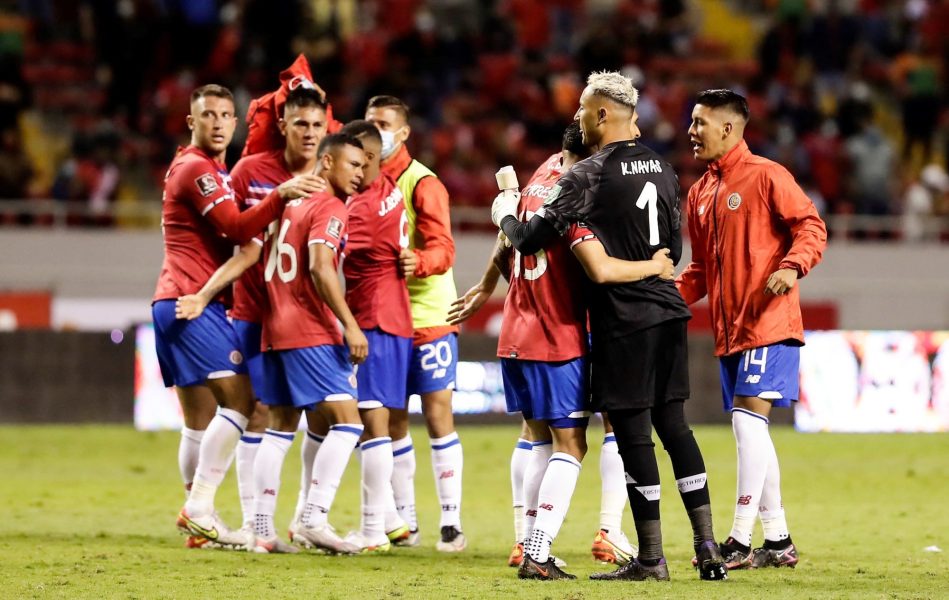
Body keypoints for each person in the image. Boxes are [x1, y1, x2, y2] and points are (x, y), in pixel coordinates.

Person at [493, 71, 727, 582]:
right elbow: (673, 250)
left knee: (634, 436)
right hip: (668, 310)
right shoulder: (664, 168)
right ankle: (708, 547)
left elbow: (530, 240)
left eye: (581, 110)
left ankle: (650, 558)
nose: (576, 118)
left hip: (624, 319)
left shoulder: (587, 175)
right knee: (677, 428)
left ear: (602, 114)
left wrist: (504, 213)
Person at [449, 123, 653, 572]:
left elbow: (512, 237)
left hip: (517, 330)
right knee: (577, 441)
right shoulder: (584, 191)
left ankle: (525, 541)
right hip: (561, 333)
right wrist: (652, 267)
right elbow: (598, 268)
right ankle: (555, 544)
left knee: (534, 434)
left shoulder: (541, 174)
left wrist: (487, 286)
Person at [152, 84, 322, 548]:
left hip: (175, 301)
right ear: (192, 122)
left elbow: (238, 240)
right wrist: (280, 196)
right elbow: (235, 227)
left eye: (227, 115)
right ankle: (200, 506)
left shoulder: (211, 170)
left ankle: (199, 524)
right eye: (209, 115)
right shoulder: (197, 170)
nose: (220, 123)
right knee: (244, 402)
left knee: (197, 420)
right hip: (191, 303)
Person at [677, 89, 827, 569]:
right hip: (729, 330)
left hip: (768, 320)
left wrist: (792, 266)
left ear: (728, 128)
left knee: (746, 422)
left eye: (700, 122)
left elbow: (811, 227)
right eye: (691, 122)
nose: (691, 131)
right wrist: (661, 304)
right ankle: (778, 541)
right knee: (752, 431)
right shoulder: (699, 193)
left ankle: (740, 540)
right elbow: (699, 271)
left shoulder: (767, 176)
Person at [254, 132, 367, 553]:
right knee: (349, 421)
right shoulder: (329, 206)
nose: (359, 173)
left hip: (275, 326)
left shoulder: (291, 204)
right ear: (326, 163)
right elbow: (321, 268)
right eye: (352, 165)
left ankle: (261, 530)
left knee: (281, 426)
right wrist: (350, 326)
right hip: (308, 328)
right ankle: (313, 518)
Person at [366, 95, 465, 551]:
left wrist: (416, 261)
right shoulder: (361, 178)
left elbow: (445, 249)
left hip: (427, 315)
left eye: (384, 123)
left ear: (403, 133)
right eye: (370, 122)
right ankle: (406, 522)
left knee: (437, 412)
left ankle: (451, 522)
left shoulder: (422, 182)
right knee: (393, 421)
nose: (376, 130)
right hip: (384, 316)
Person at [337, 119, 417, 552]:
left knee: (369, 424)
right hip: (395, 319)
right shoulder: (388, 185)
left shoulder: (361, 210)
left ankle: (372, 531)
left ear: (367, 160)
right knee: (376, 422)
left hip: (371, 321)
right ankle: (390, 519)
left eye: (353, 160)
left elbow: (327, 252)